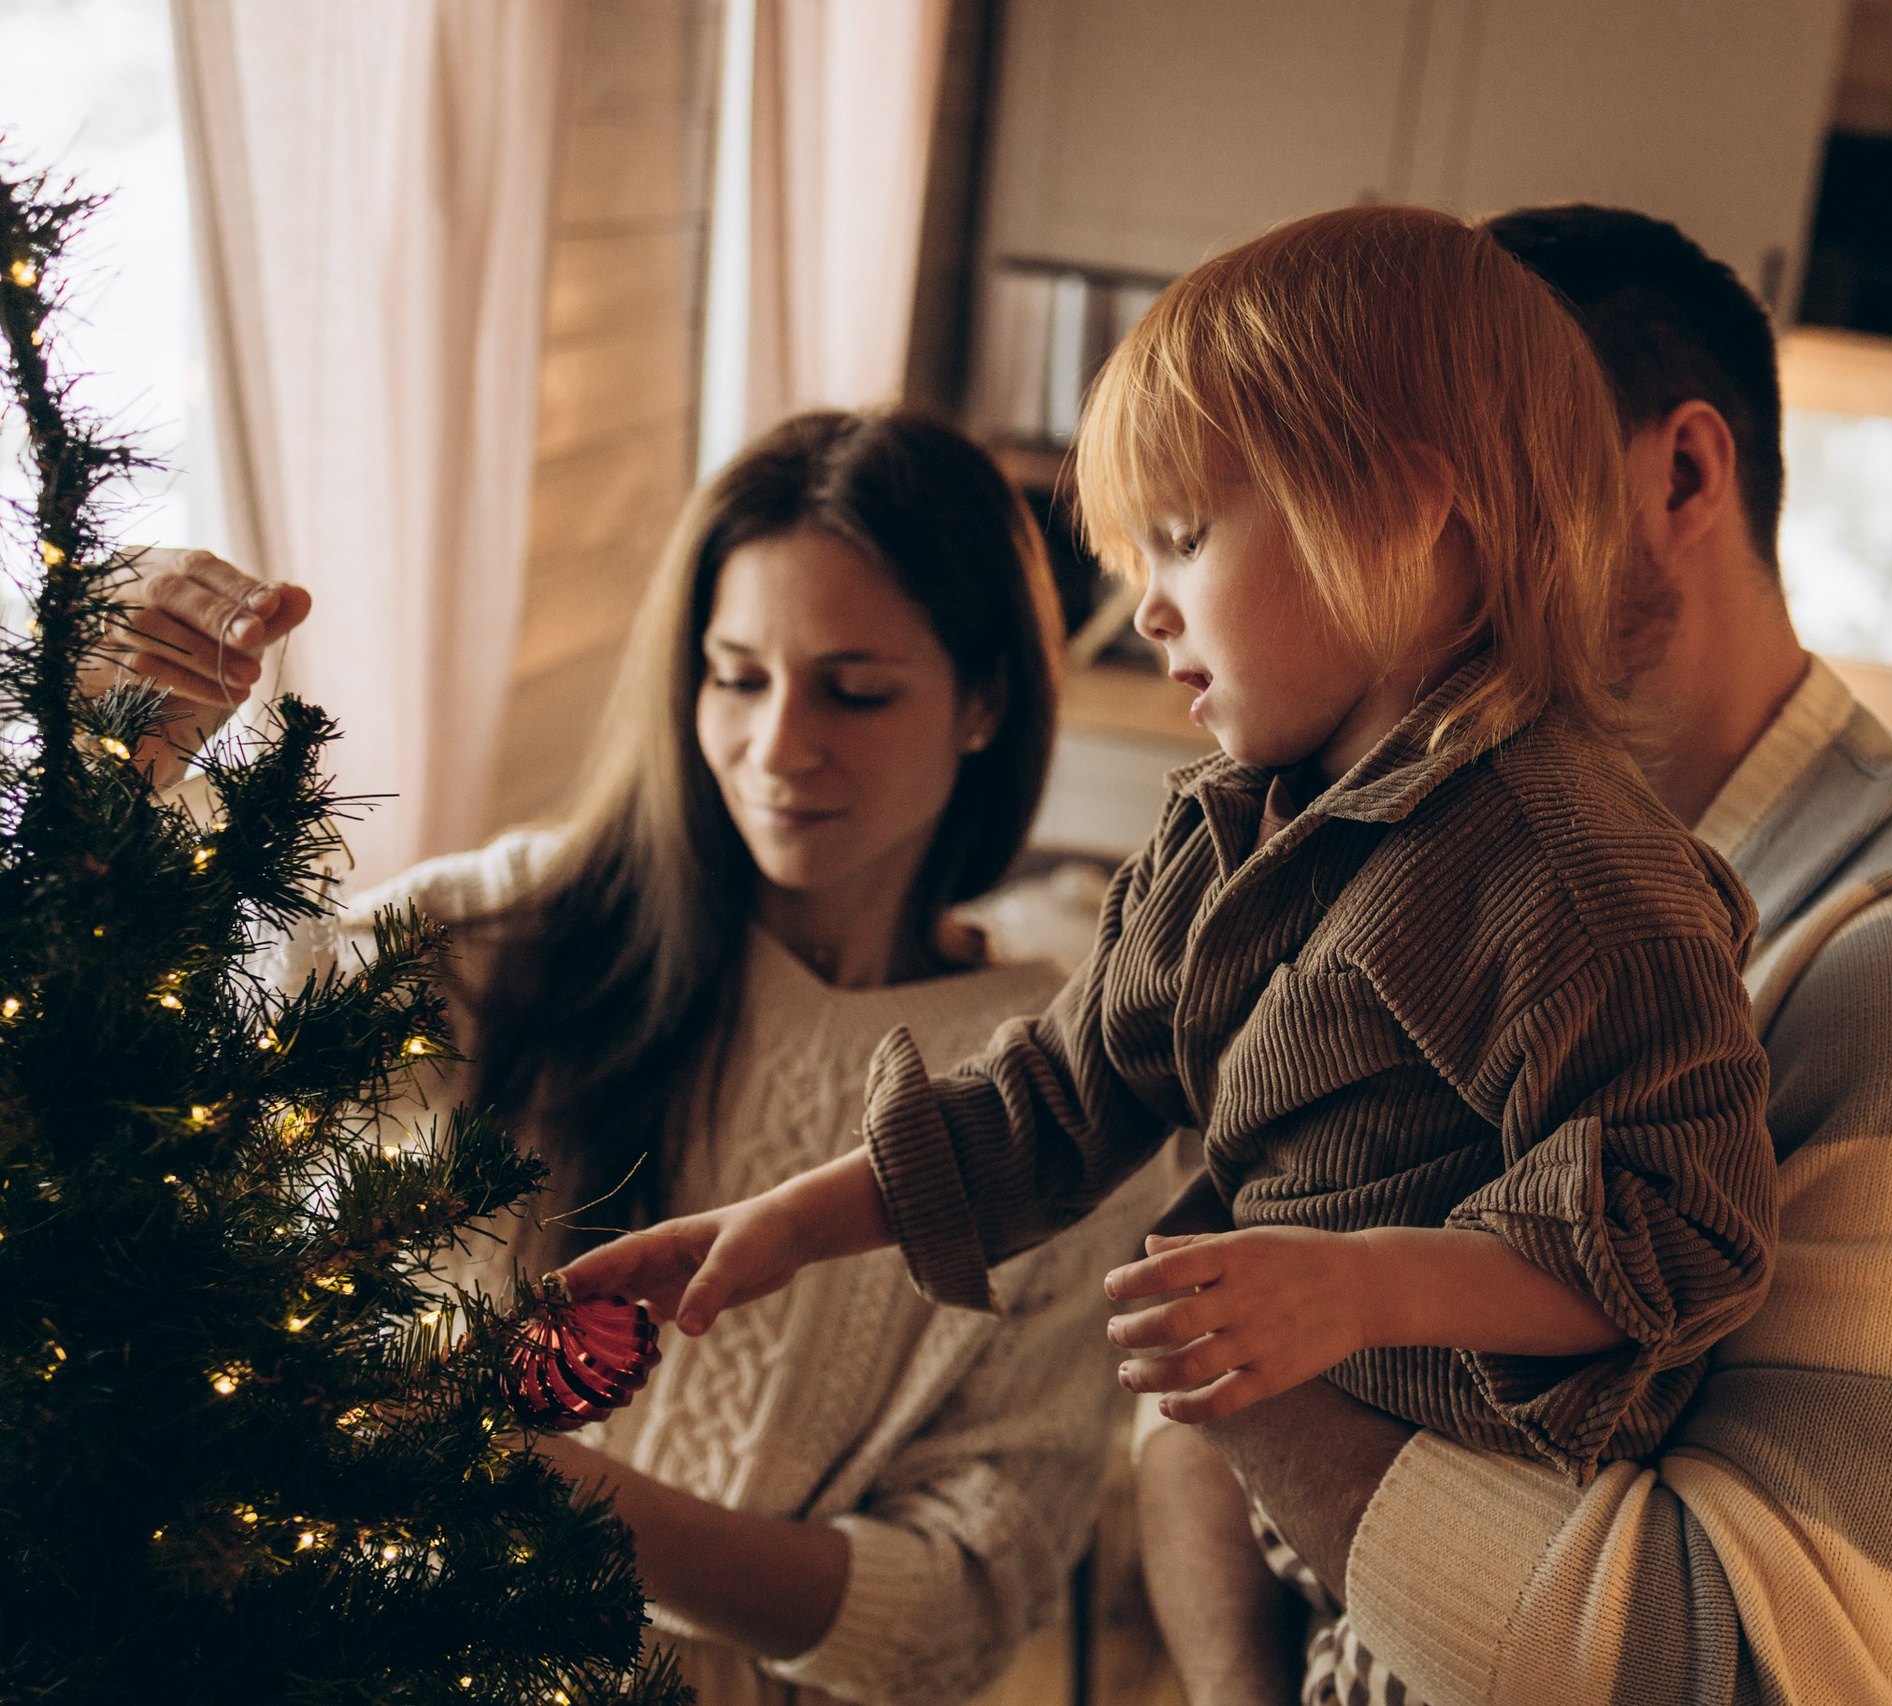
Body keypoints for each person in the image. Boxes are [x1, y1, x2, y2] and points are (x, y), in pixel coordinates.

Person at [562, 204, 1777, 1480]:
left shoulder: (1571, 874)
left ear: (1401, 513)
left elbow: (1686, 1231)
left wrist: (1362, 1287)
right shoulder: (1226, 832)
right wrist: (791, 1222)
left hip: (1502, 1494)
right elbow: (1058, 1101)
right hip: (1297, 1465)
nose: (1146, 607)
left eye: (1185, 539)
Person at [1129, 206, 1892, 1706]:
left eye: (1470, 497)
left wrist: (1206, 1290)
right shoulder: (1428, 856)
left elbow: (1759, 1672)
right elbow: (1196, 1413)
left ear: (1679, 476)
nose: (1387, 564)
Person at [99, 409, 1169, 1706]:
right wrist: (129, 760)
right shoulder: (512, 933)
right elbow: (180, 1069)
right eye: (736, 676)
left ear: (986, 700)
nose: (779, 746)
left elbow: (958, 1611)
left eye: (855, 690)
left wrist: (544, 1492)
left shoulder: (1052, 1096)